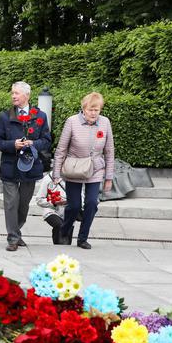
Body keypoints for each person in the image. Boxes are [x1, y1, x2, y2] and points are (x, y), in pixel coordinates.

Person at [0, 81, 52, 252]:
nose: (13, 96)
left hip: (30, 166)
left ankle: (16, 232)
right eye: (12, 93)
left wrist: (34, 143)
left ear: (27, 96)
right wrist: (13, 144)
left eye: (17, 93)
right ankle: (13, 238)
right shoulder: (5, 116)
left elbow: (47, 141)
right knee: (11, 203)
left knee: (23, 204)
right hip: (10, 166)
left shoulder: (40, 116)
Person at [52, 92, 115, 249]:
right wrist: (56, 174)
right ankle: (65, 228)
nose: (94, 113)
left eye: (97, 110)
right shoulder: (72, 122)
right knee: (74, 206)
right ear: (84, 109)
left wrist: (109, 178)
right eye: (90, 110)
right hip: (75, 168)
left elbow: (109, 151)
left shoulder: (105, 123)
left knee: (92, 203)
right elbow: (61, 149)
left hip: (96, 169)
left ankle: (83, 238)